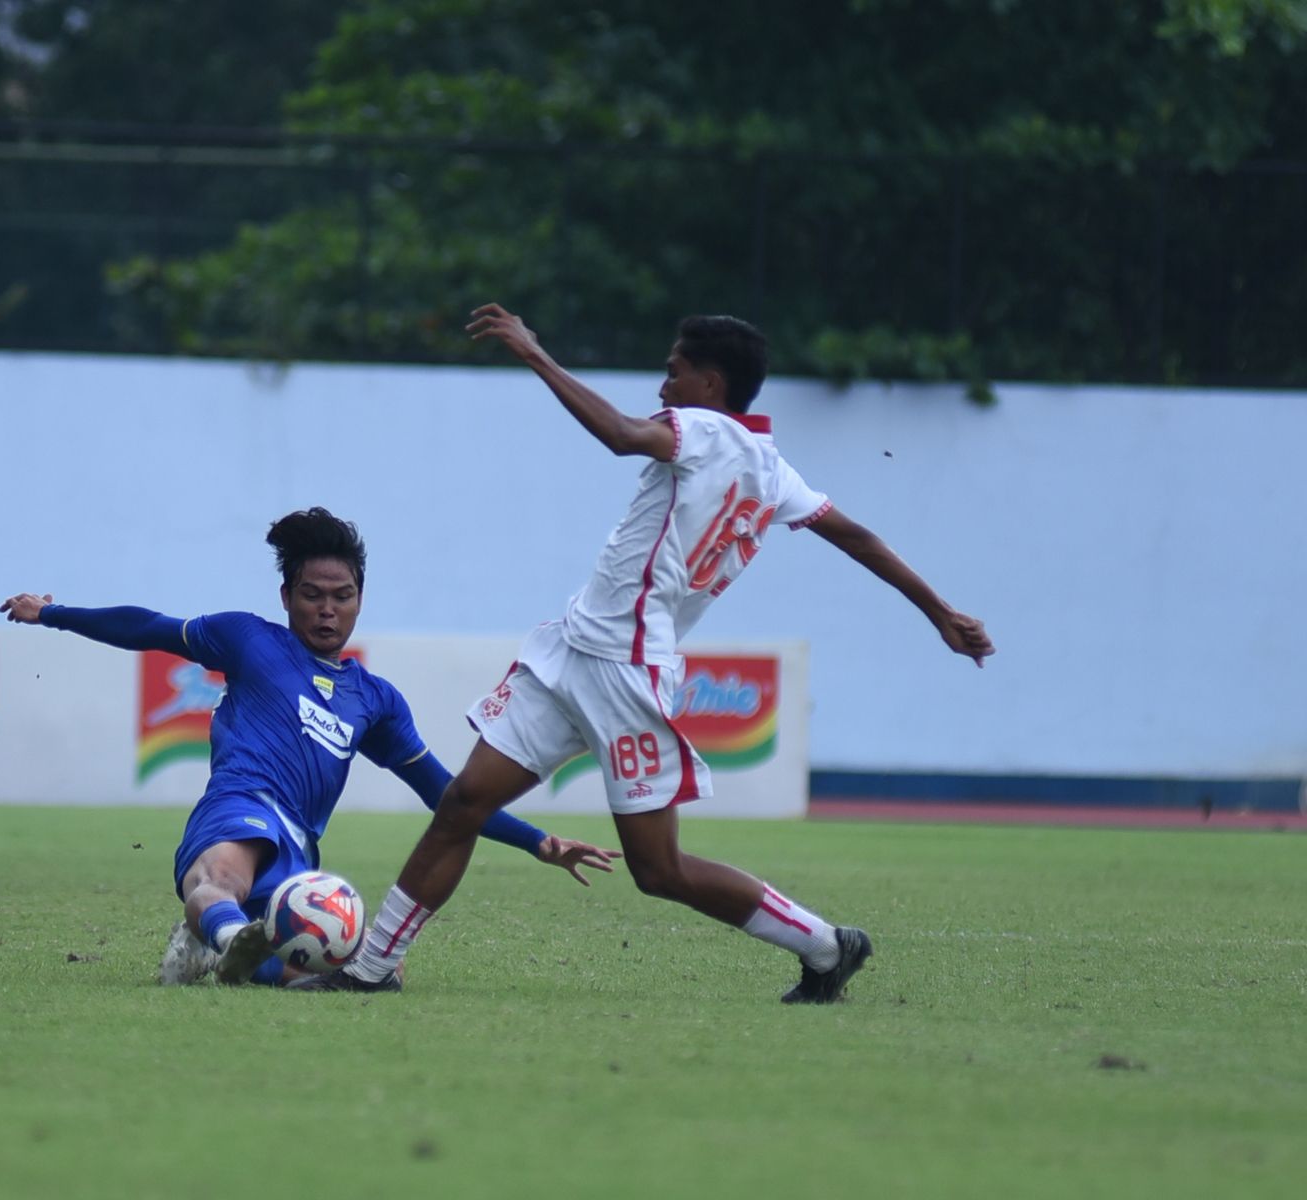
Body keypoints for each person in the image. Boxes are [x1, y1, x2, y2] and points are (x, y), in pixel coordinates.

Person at [297, 306, 995, 999]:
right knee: (463, 804)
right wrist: (939, 612)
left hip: (624, 672)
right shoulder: (773, 470)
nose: (662, 390)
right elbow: (859, 537)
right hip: (570, 652)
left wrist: (535, 354)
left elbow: (621, 436)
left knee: (658, 870)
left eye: (673, 373)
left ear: (712, 383)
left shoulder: (701, 429)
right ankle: (369, 968)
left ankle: (824, 945)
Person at [0, 507, 620, 986]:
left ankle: (212, 944)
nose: (327, 610)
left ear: (360, 598)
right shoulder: (248, 640)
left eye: (341, 596)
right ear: (286, 598)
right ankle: (221, 926)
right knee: (220, 876)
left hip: (301, 851)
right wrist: (52, 614)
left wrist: (539, 841)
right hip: (240, 802)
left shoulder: (374, 700)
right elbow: (148, 627)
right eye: (312, 595)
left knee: (357, 975)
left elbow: (446, 793)